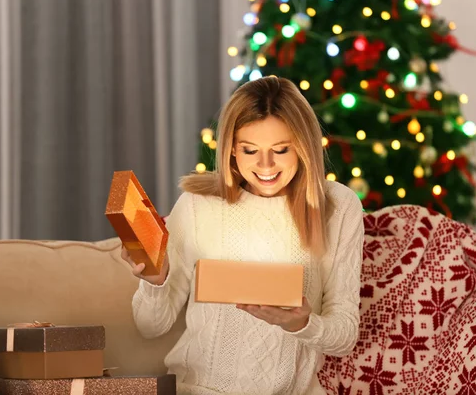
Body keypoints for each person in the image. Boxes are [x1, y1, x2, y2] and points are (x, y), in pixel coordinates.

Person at [123, 76, 364, 395]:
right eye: (250, 150)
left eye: (281, 150)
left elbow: (344, 337)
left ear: (303, 148)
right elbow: (151, 327)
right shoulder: (198, 205)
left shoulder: (339, 206)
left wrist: (303, 324)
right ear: (232, 150)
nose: (266, 165)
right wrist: (155, 280)